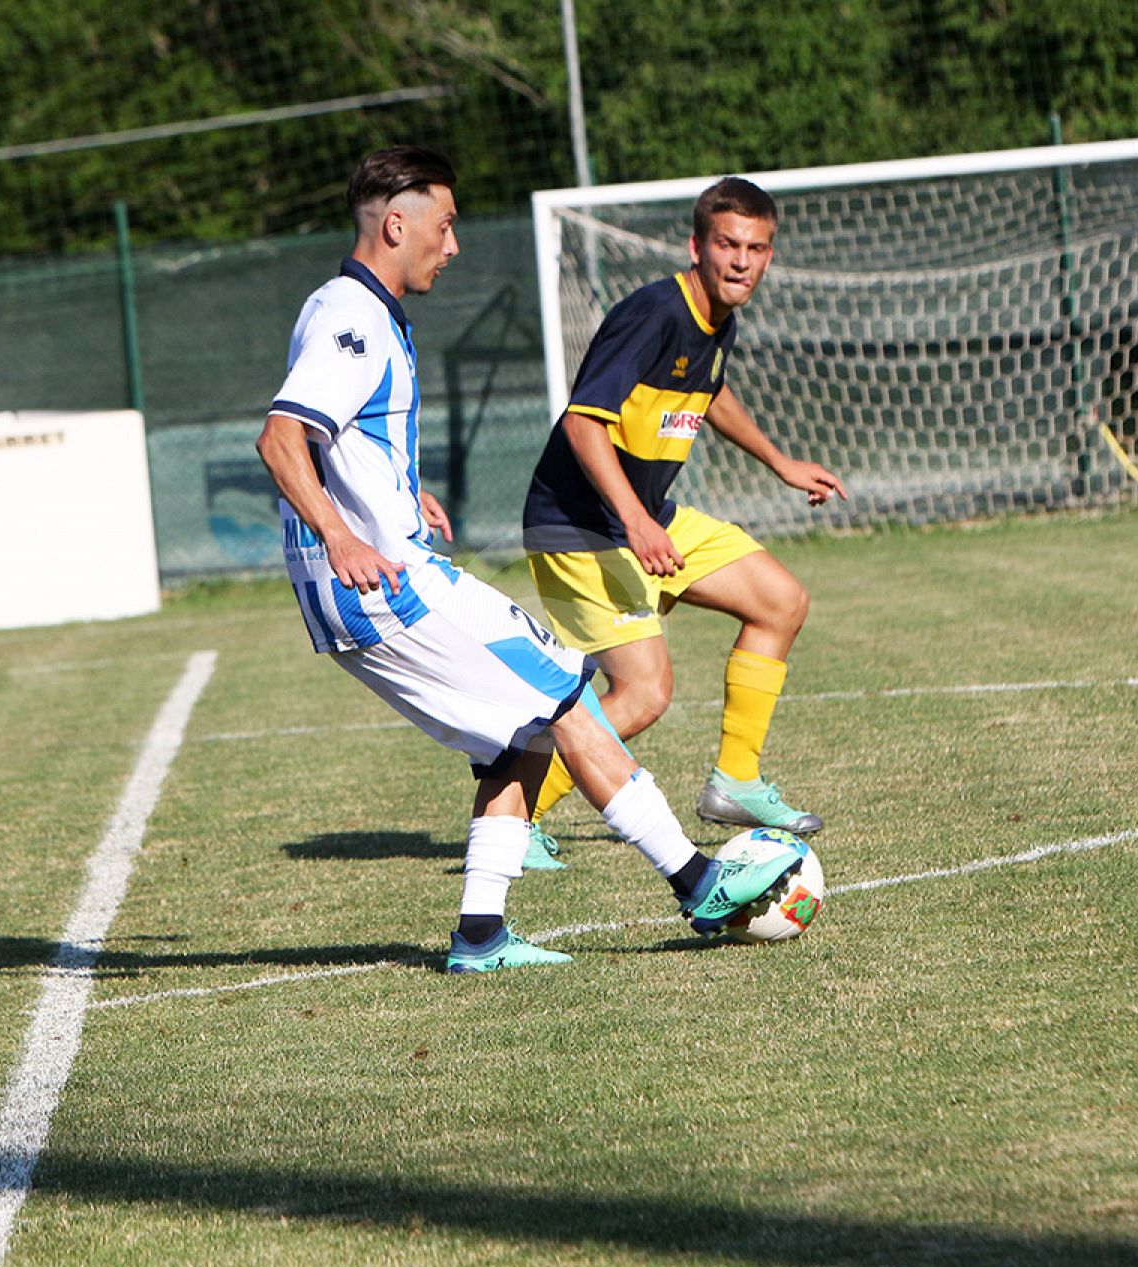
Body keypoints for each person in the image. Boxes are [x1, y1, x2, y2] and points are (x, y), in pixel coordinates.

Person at [257, 147, 804, 973]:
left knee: (520, 735)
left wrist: (398, 497)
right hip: (387, 583)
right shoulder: (354, 318)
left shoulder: (347, 308)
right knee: (571, 697)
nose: (453, 246)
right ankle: (700, 885)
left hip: (368, 579)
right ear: (396, 225)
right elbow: (281, 437)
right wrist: (344, 535)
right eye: (445, 226)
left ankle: (480, 935)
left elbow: (332, 436)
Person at [518, 177, 847, 871]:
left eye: (756, 248)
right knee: (643, 694)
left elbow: (710, 391)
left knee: (780, 601)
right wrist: (635, 520)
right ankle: (514, 815)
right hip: (580, 528)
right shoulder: (654, 313)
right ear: (697, 247)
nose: (742, 261)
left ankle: (735, 783)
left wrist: (780, 461)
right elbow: (582, 423)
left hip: (647, 516)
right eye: (728, 244)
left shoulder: (716, 319)